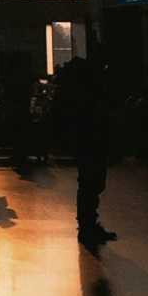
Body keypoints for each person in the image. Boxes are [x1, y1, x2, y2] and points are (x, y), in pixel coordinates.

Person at [58, 56, 117, 249]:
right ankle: (88, 225)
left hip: (87, 142)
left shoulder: (80, 95)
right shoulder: (90, 97)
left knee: (89, 184)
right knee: (91, 184)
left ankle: (87, 224)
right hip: (92, 141)